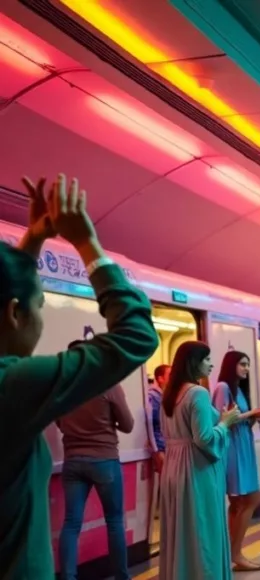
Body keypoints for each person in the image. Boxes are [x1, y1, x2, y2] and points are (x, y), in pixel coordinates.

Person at [0, 174, 159, 578]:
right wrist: (88, 244)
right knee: (111, 524)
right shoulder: (13, 386)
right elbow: (137, 336)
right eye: (40, 305)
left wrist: (32, 242)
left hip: (73, 461)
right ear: (15, 313)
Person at [158, 341, 240, 578]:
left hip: (173, 467)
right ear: (194, 362)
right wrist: (225, 423)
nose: (211, 364)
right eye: (206, 359)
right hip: (196, 470)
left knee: (179, 532)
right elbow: (204, 438)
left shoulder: (169, 395)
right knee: (204, 531)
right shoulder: (198, 393)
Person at [56, 345, 135, 580]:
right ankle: (121, 576)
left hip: (72, 461)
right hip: (104, 461)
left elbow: (59, 422)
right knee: (114, 521)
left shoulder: (63, 388)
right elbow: (128, 424)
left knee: (71, 523)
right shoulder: (108, 384)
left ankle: (68, 577)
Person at [211, 350, 260, 572]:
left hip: (243, 447)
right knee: (252, 498)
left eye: (248, 364)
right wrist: (251, 413)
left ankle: (231, 553)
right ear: (231, 365)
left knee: (238, 504)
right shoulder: (223, 388)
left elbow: (239, 420)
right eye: (242, 364)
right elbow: (219, 419)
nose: (246, 368)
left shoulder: (239, 391)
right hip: (232, 450)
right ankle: (235, 553)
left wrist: (255, 417)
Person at [147, 364, 170, 473]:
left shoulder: (164, 397)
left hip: (165, 446)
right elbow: (151, 424)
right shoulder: (153, 397)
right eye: (170, 375)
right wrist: (156, 450)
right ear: (160, 379)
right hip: (160, 447)